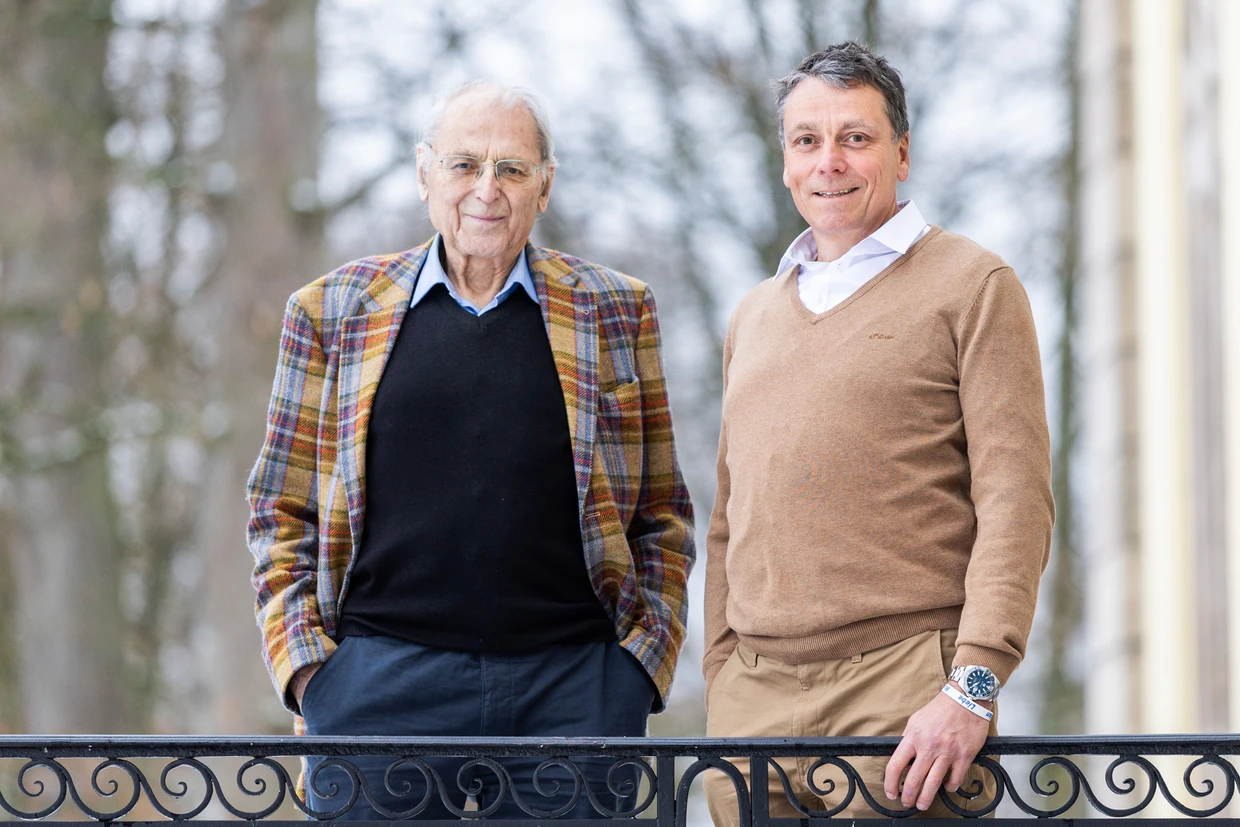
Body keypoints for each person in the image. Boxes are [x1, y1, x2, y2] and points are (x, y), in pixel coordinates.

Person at [247, 80, 694, 821]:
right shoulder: (331, 311)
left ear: (544, 186)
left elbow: (662, 511)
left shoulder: (616, 310)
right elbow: (278, 508)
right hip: (376, 689)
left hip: (574, 690)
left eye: (511, 169)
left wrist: (639, 667)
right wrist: (307, 671)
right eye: (464, 165)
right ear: (425, 175)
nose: (487, 189)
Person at [703, 42, 1055, 823]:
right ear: (786, 160)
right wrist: (723, 672)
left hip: (906, 690)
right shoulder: (752, 315)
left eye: (854, 137)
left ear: (901, 152)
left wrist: (973, 685)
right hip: (754, 701)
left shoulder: (974, 284)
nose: (829, 160)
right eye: (807, 140)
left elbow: (1016, 500)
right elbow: (729, 513)